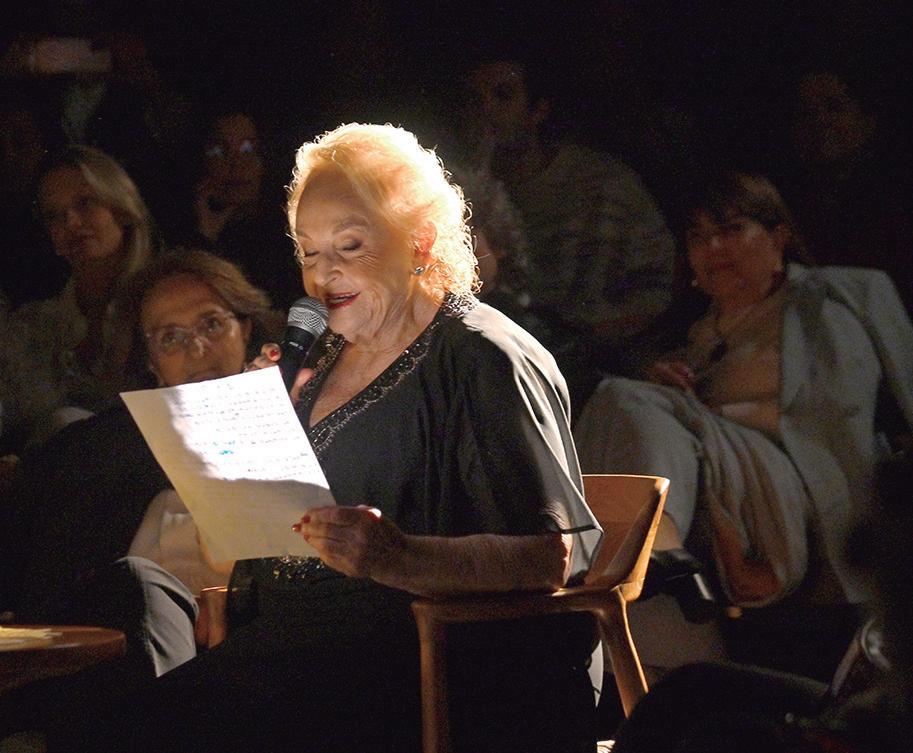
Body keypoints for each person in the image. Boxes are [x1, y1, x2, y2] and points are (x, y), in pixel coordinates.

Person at [72, 122, 603, 753]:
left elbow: (546, 558)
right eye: (308, 252)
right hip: (300, 651)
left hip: (428, 660)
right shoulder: (320, 358)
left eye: (349, 246)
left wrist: (395, 557)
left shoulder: (480, 356)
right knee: (119, 643)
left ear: (419, 241)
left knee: (145, 731)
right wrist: (256, 438)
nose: (323, 276)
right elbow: (280, 535)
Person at [573, 170, 913, 682]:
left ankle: (652, 551)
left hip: (802, 490)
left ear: (778, 236)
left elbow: (898, 391)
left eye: (731, 230)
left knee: (624, 400)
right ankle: (669, 657)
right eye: (698, 237)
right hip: (724, 503)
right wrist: (669, 391)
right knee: (614, 403)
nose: (713, 248)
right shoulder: (689, 336)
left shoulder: (843, 293)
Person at [0, 247, 284, 745]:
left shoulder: (300, 421)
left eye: (212, 324)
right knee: (135, 586)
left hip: (251, 652)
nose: (197, 348)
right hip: (116, 656)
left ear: (246, 329)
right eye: (171, 337)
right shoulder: (99, 451)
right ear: (150, 361)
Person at [458, 55, 677, 418]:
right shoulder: (463, 193)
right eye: (474, 100)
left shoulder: (602, 184)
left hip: (604, 365)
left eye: (503, 96)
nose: (486, 111)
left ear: (538, 109)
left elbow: (657, 285)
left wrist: (601, 338)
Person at [0, 144, 158, 454]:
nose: (71, 223)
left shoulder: (168, 309)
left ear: (120, 207)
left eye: (85, 204)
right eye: (55, 216)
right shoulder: (34, 326)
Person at [164, 107, 302, 310]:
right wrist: (205, 236)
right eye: (219, 151)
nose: (236, 164)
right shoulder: (181, 234)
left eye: (247, 149)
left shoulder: (297, 226)